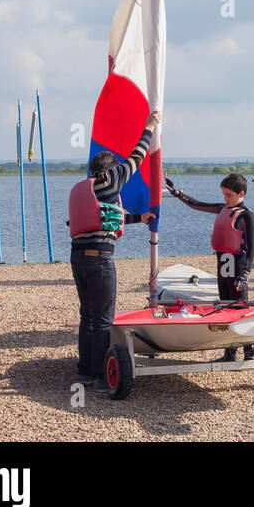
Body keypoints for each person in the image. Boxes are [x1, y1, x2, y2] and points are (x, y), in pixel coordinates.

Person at [70, 110, 160, 387]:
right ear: (109, 170)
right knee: (103, 318)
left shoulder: (81, 189)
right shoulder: (111, 179)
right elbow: (137, 157)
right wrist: (149, 127)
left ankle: (85, 368)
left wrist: (137, 218)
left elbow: (102, 217)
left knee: (87, 314)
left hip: (78, 258)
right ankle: (100, 374)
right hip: (100, 261)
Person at [165, 172, 254, 361]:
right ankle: (229, 353)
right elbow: (196, 204)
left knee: (240, 308)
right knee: (224, 308)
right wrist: (176, 193)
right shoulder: (222, 208)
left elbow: (252, 247)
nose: (225, 198)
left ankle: (250, 352)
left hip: (237, 265)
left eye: (229, 195)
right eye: (224, 194)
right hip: (222, 262)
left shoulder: (245, 215)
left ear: (241, 194)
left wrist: (246, 272)